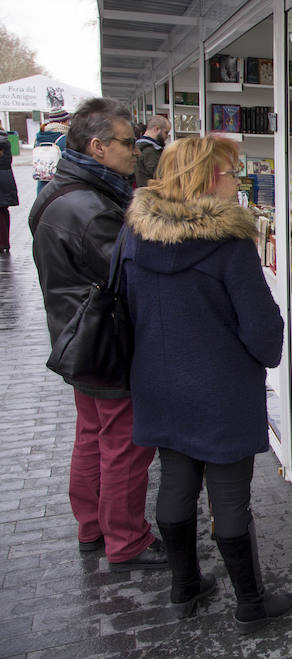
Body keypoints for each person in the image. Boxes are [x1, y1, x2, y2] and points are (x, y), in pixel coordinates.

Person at [122, 135, 292, 628]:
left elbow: (125, 302)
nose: (237, 183)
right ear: (205, 178)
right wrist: (267, 353)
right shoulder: (229, 244)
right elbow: (261, 329)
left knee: (175, 479)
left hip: (158, 380)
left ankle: (184, 589)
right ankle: (251, 602)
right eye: (231, 174)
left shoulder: (135, 233)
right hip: (221, 388)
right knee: (229, 495)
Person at [29, 97, 166, 571]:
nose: (137, 151)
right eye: (128, 143)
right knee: (124, 443)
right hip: (105, 340)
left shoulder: (61, 191)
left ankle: (92, 527)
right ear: (98, 147)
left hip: (76, 336)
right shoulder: (92, 209)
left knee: (91, 435)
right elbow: (130, 278)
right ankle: (126, 540)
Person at [33, 108, 71, 193]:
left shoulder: (39, 137)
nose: (69, 123)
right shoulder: (64, 139)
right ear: (62, 122)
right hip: (60, 186)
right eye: (68, 121)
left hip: (42, 184)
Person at [134, 115, 171, 187]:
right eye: (166, 132)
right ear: (157, 129)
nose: (166, 137)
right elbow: (160, 176)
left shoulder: (140, 146)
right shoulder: (150, 151)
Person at [0, 121, 18, 252]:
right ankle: (4, 242)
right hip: (6, 177)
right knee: (3, 211)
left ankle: (2, 243)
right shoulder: (4, 138)